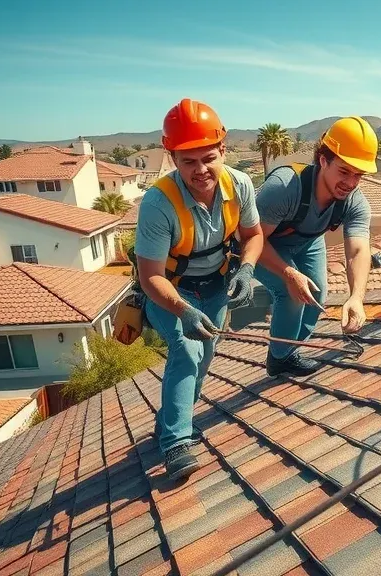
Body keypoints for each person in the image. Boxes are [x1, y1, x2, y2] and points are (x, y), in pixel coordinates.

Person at [134, 98, 264, 481]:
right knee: (187, 350)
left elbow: (253, 235)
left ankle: (170, 421)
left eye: (208, 158)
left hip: (217, 287)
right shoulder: (158, 203)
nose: (200, 170)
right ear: (172, 157)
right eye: (188, 161)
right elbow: (150, 276)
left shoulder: (239, 185)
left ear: (223, 149)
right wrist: (184, 310)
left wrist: (247, 269)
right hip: (170, 293)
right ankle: (176, 443)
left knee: (204, 359)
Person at [253, 116, 375, 376]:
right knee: (292, 292)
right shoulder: (284, 187)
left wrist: (356, 297)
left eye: (358, 175)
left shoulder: (354, 201)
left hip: (307, 241)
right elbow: (251, 239)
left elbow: (358, 250)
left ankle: (290, 350)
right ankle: (280, 358)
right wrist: (289, 274)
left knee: (316, 294)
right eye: (344, 171)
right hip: (261, 243)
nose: (350, 183)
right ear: (323, 160)